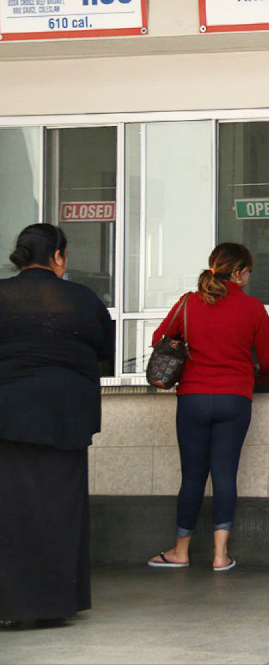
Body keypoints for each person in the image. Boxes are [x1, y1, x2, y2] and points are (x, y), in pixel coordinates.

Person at [0, 224, 113, 626]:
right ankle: (54, 604)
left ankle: (8, 605)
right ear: (59, 256)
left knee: (8, 511)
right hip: (65, 417)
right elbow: (105, 349)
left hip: (7, 417)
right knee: (60, 510)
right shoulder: (81, 299)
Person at [147, 242, 269, 572]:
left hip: (192, 399)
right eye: (247, 271)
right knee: (224, 474)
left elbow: (160, 339)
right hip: (234, 399)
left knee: (192, 477)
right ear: (238, 272)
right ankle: (220, 556)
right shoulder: (253, 308)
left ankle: (180, 551)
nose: (248, 277)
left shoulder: (189, 303)